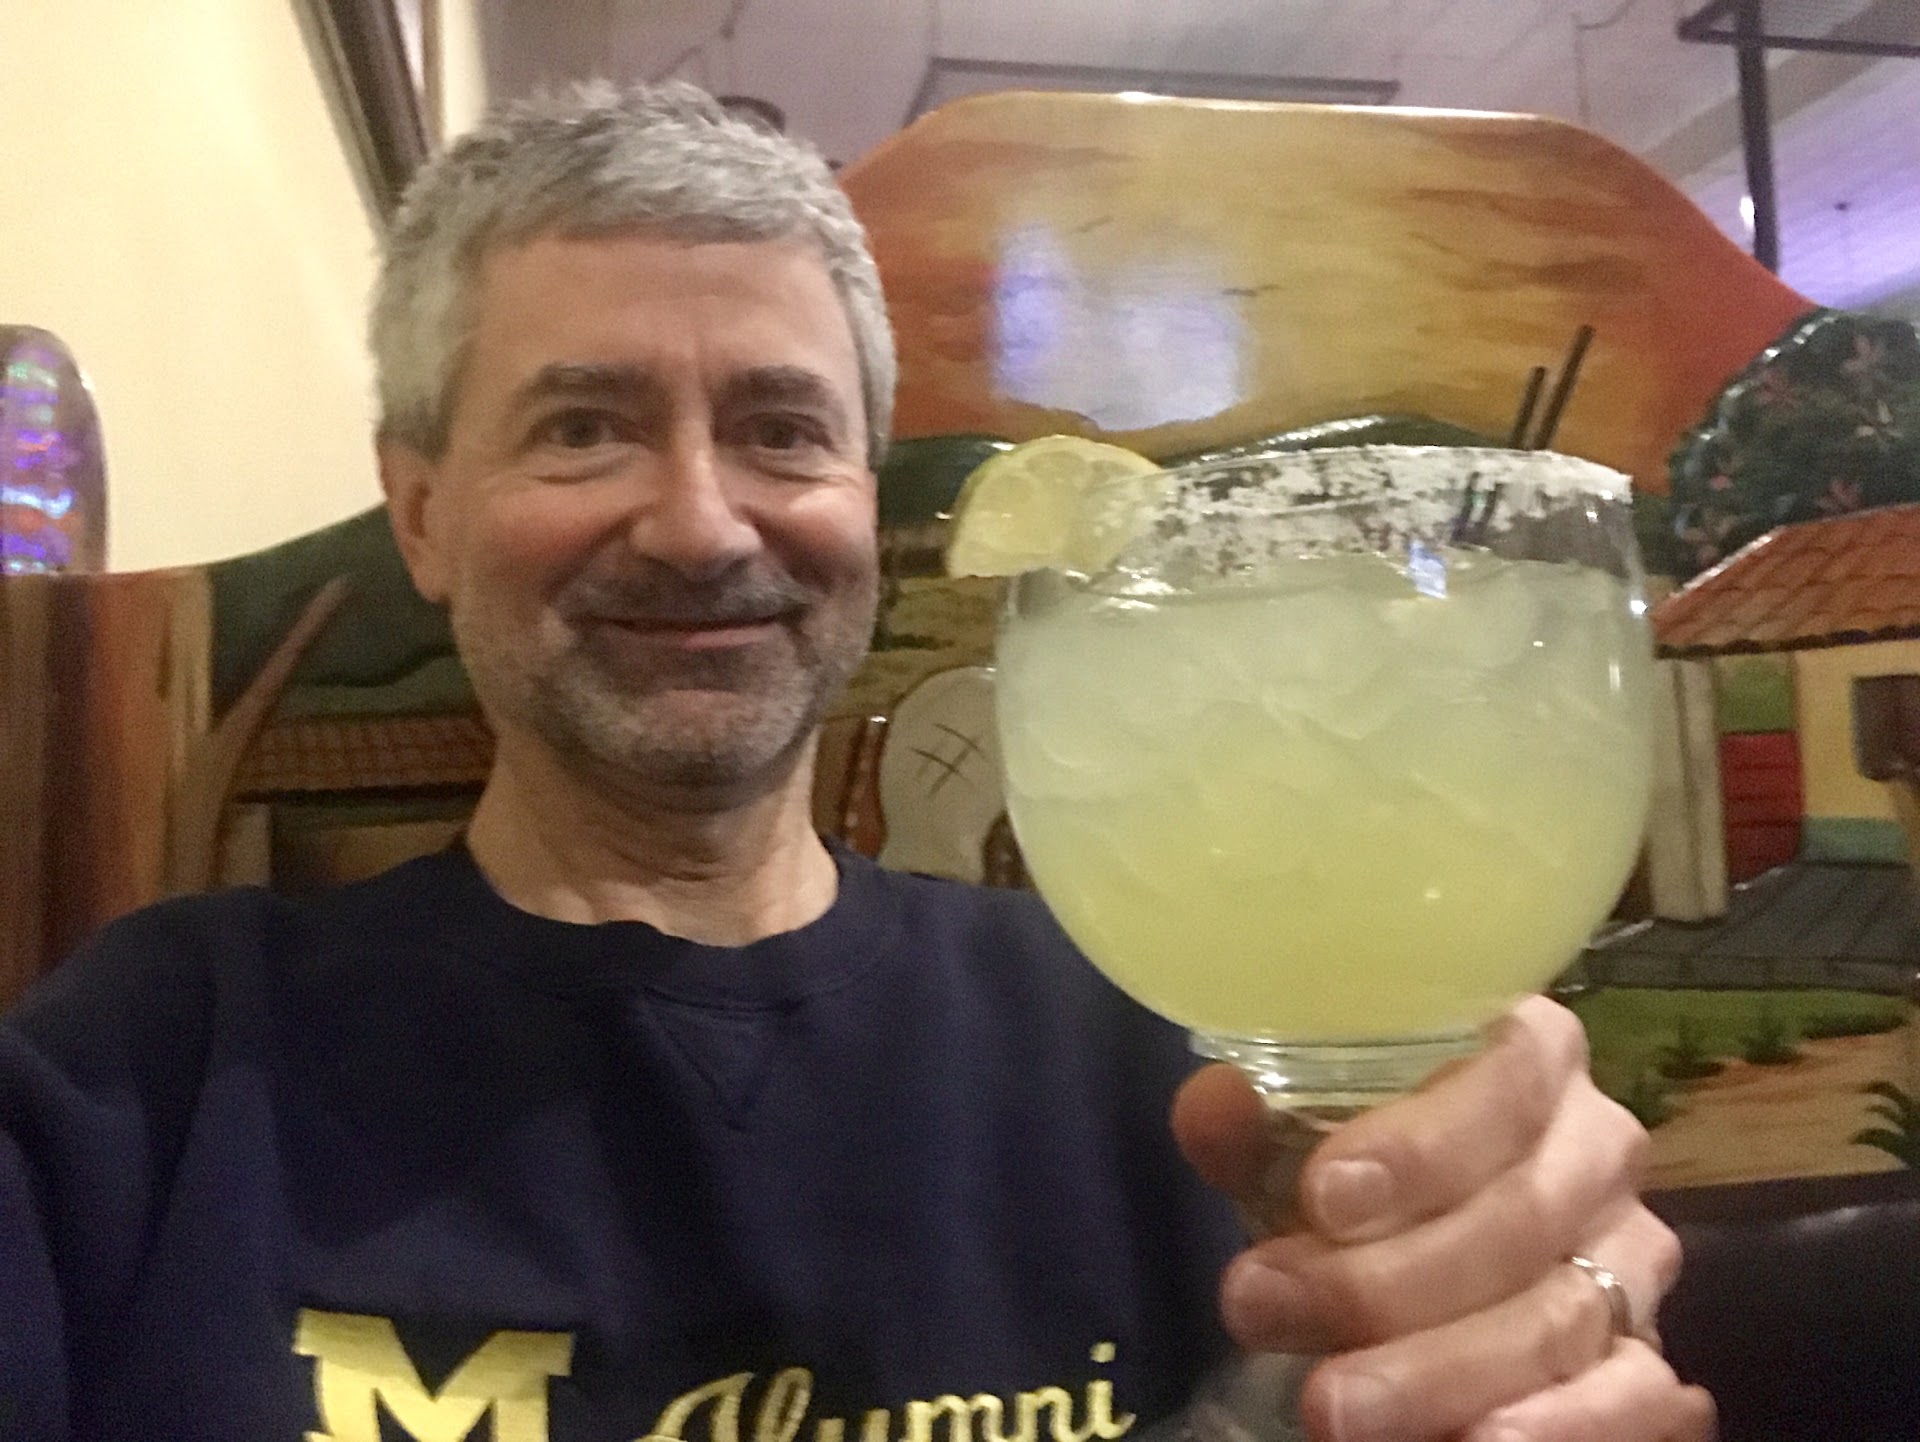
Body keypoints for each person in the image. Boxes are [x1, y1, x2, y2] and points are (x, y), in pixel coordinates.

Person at [0, 82, 1712, 1442]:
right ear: (423, 510)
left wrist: (1528, 1319)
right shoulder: (148, 1073)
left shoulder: (1175, 1036)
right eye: (584, 426)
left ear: (868, 508)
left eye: (781, 429)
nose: (699, 523)